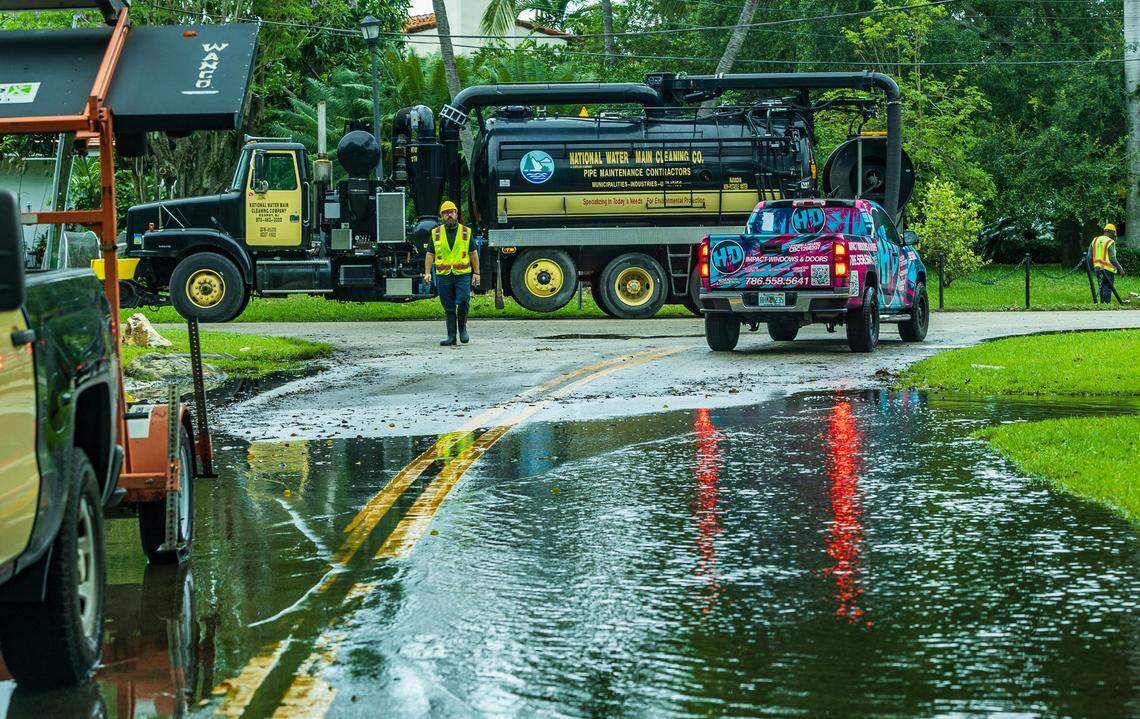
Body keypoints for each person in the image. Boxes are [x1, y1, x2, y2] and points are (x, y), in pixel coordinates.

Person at [424, 200, 480, 345]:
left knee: (462, 301)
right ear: (441, 216)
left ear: (456, 214)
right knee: (448, 306)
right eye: (445, 213)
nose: (449, 215)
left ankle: (463, 330)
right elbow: (430, 254)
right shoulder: (435, 233)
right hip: (443, 276)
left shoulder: (466, 232)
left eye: (451, 212)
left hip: (462, 275)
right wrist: (427, 272)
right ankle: (451, 336)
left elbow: (473, 253)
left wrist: (477, 273)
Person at [1087, 223, 1126, 303]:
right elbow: (1112, 258)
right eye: (1113, 234)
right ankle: (1106, 304)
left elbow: (1089, 256)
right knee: (1107, 287)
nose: (1114, 237)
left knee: (1101, 286)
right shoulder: (1109, 241)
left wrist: (1092, 266)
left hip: (1097, 268)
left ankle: (1102, 304)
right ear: (1112, 232)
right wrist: (1120, 269)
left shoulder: (1095, 240)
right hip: (1107, 269)